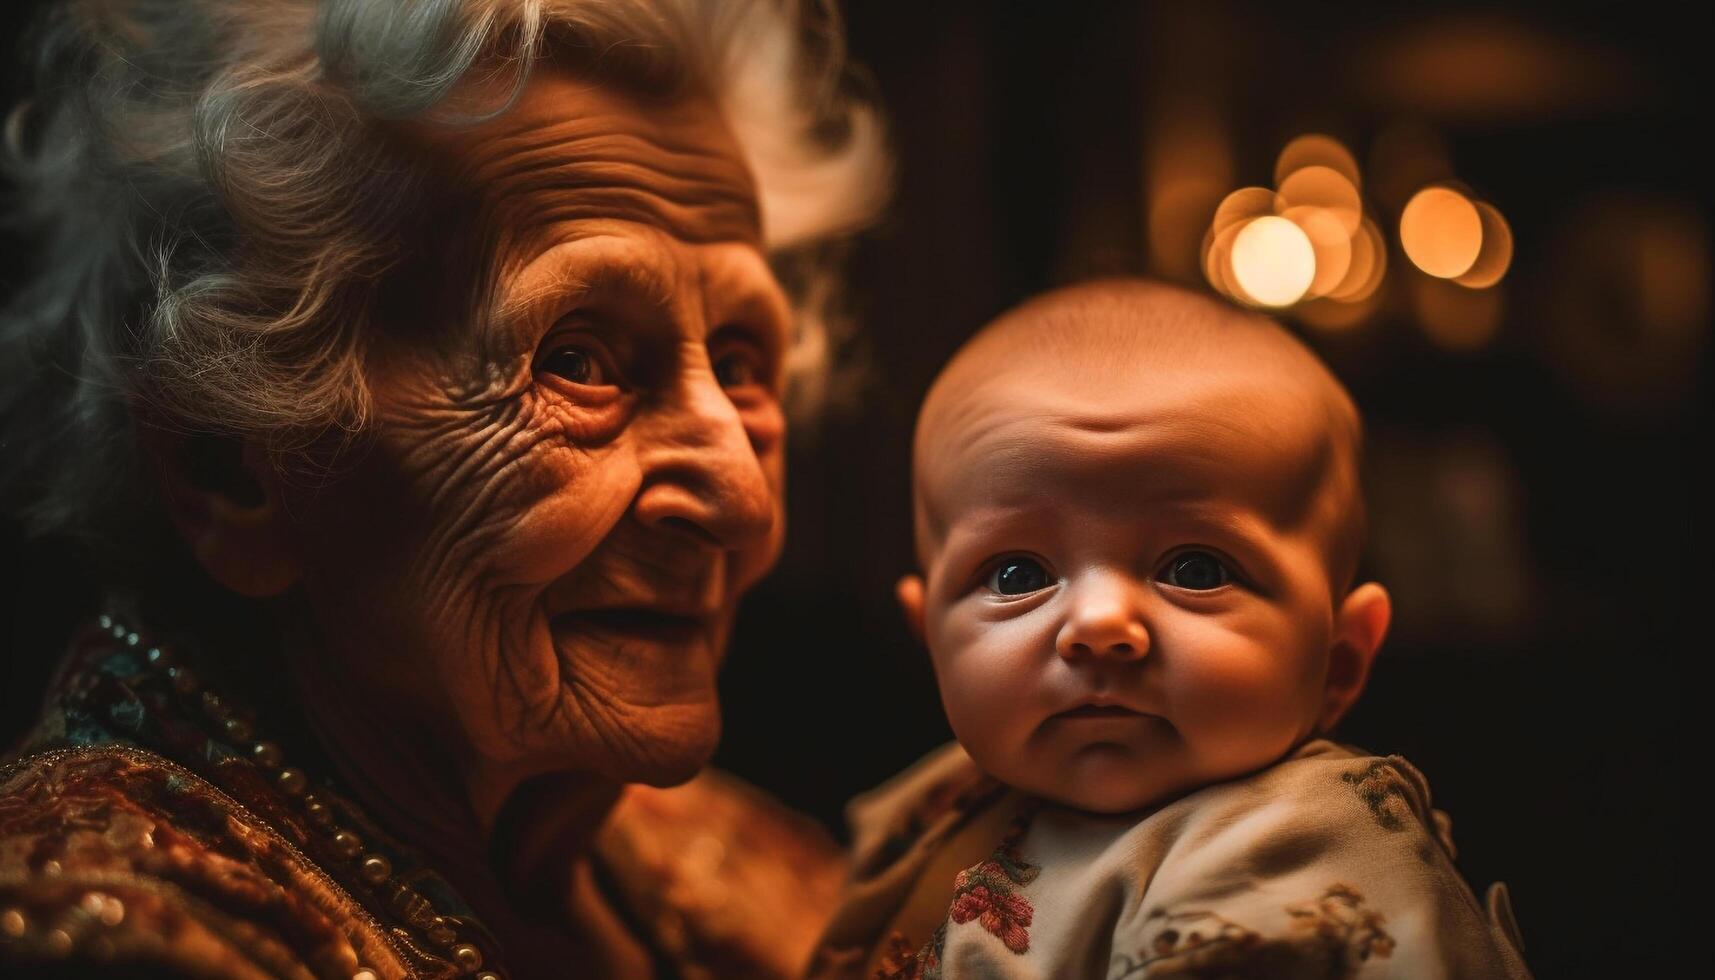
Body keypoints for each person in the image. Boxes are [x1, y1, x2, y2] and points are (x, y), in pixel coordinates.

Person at [0, 0, 887, 977]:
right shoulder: (111, 940)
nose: (740, 499)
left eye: (738, 358)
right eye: (578, 359)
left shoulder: (715, 844)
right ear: (233, 463)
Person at [809, 281, 1532, 979]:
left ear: (1337, 661)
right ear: (931, 637)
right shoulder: (946, 797)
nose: (1097, 626)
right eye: (1016, 577)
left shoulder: (1300, 846)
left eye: (1193, 568)